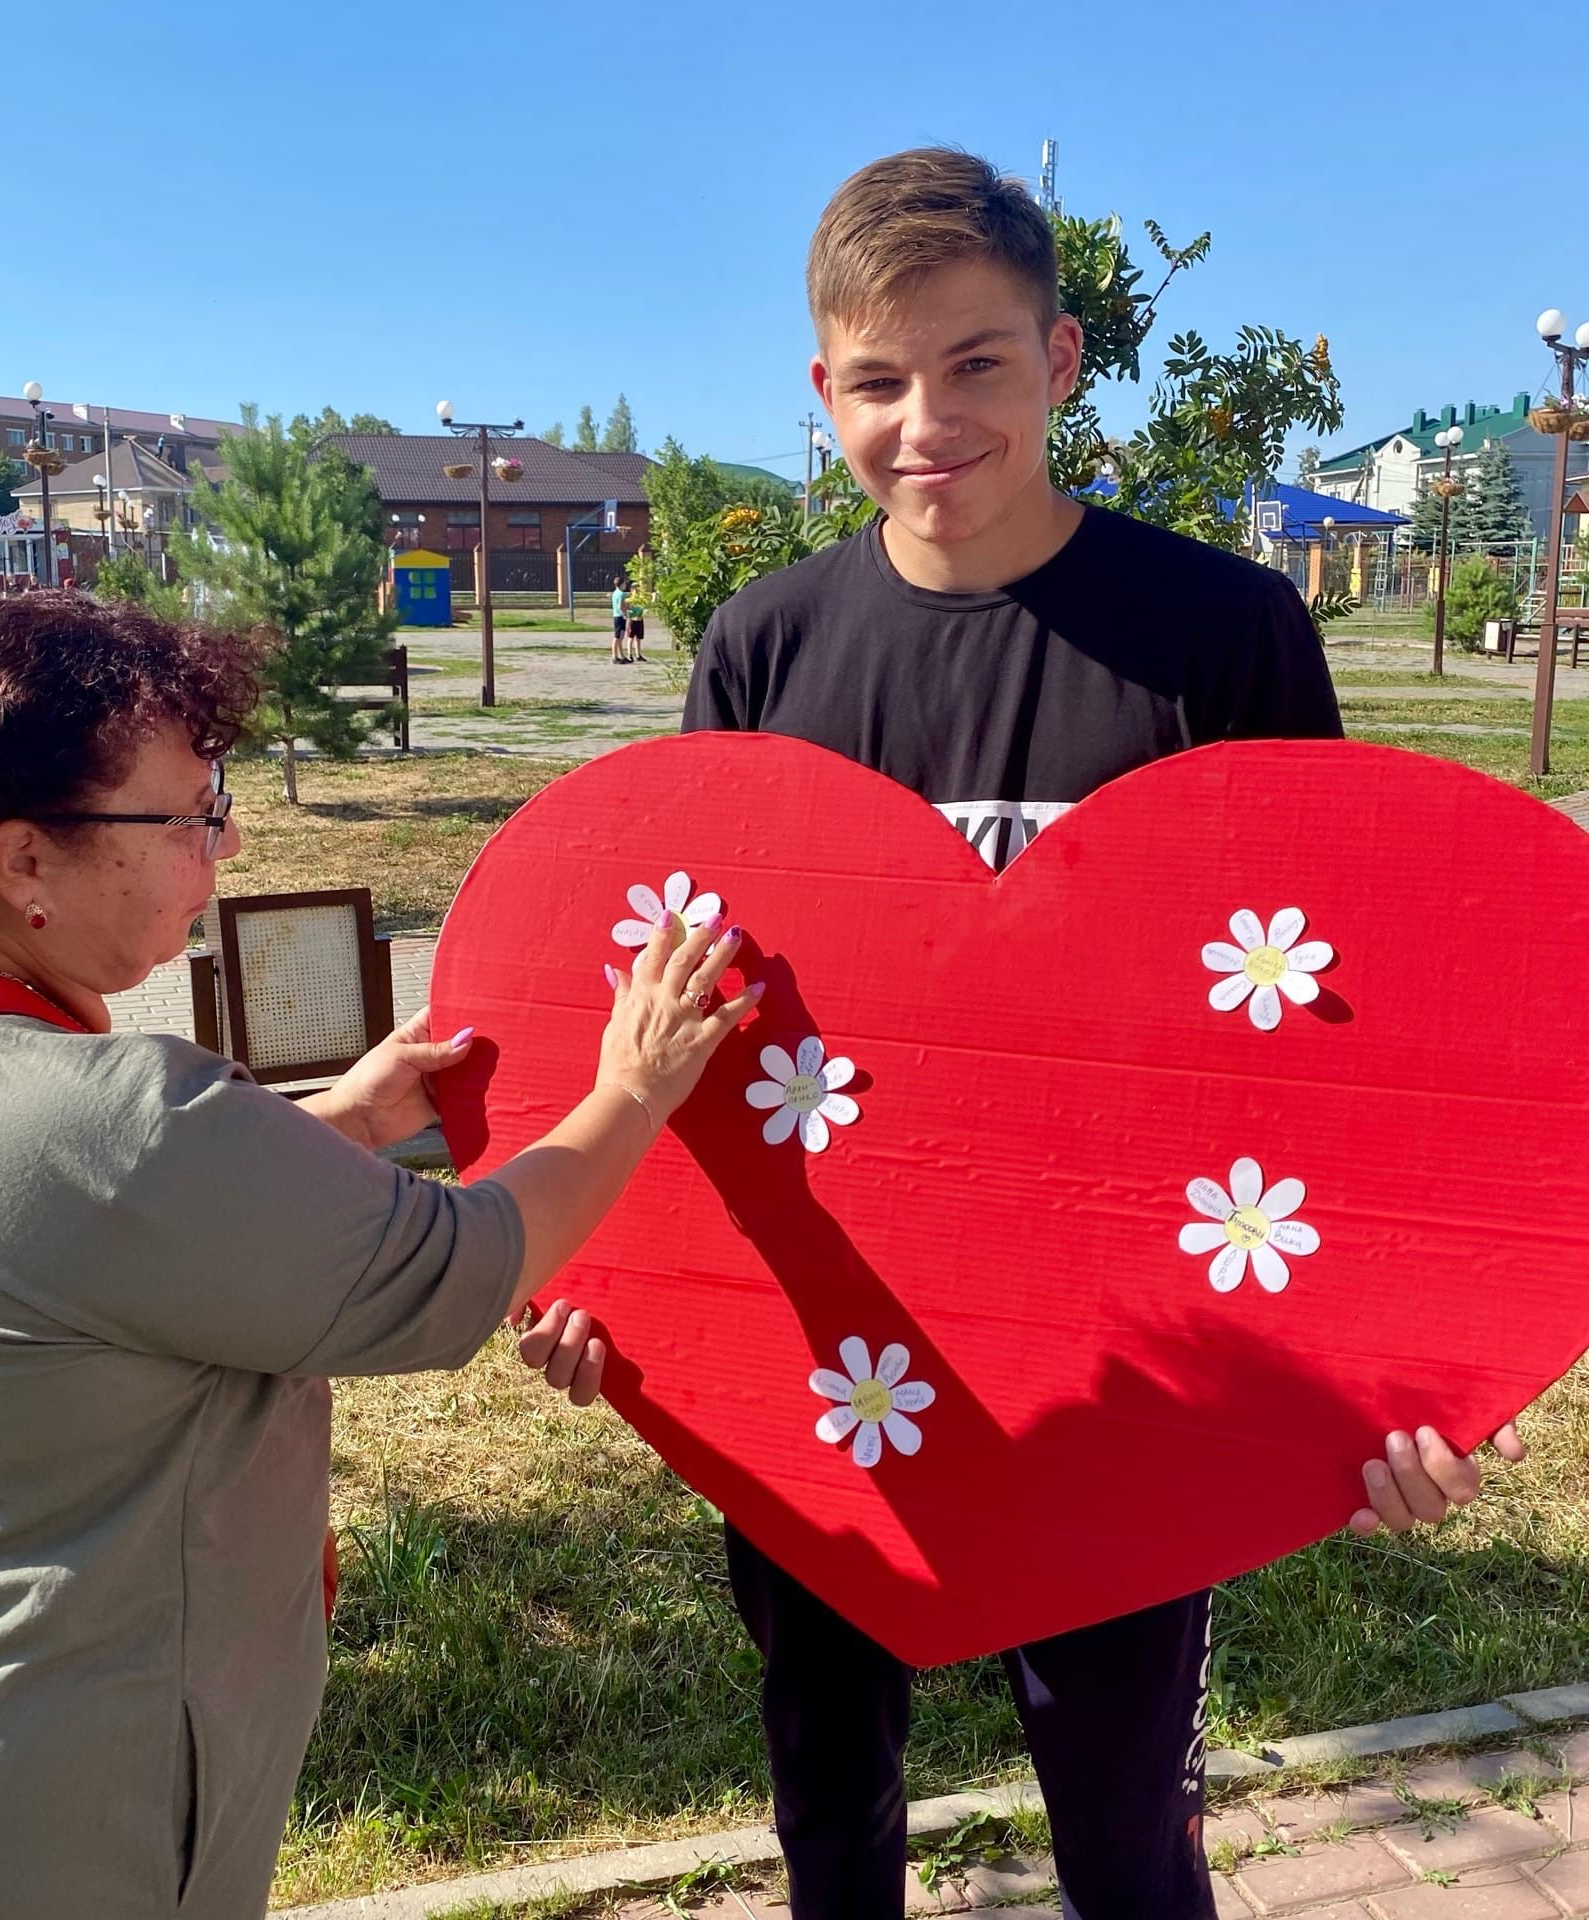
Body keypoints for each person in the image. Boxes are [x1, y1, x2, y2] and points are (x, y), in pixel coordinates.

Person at [522, 146, 1520, 1920]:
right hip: (827, 1346)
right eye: (879, 380)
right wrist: (616, 1285)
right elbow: (681, 1014)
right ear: (819, 390)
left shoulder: (1220, 636)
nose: (930, 420)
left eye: (977, 363)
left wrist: (1400, 1372)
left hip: (1130, 1348)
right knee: (828, 1803)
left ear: (1061, 363)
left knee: (1128, 1831)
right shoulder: (762, 646)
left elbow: (1342, 1030)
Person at [0, 592, 761, 1920]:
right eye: (190, 817)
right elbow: (464, 1263)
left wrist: (342, 1120)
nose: (231, 841)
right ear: (24, 860)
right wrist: (635, 1086)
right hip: (51, 1822)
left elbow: (52, 1234)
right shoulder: (106, 1123)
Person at [625, 584, 647, 662]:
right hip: (632, 621)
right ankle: (630, 654)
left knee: (638, 638)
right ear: (631, 590)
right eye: (635, 590)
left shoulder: (640, 600)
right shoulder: (630, 600)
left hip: (639, 620)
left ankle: (638, 654)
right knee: (630, 637)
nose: (637, 591)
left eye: (638, 590)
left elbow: (643, 608)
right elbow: (628, 610)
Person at [609, 576, 629, 662]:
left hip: (616, 616)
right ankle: (614, 656)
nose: (625, 585)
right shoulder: (621, 594)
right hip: (619, 617)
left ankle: (621, 656)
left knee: (620, 637)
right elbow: (620, 606)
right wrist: (624, 613)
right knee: (617, 637)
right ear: (621, 584)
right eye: (624, 583)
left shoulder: (615, 593)